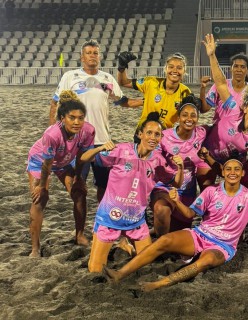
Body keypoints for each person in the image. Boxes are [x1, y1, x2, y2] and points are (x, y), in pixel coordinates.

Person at [103, 157, 248, 291]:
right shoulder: (211, 192)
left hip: (224, 246)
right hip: (200, 235)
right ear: (222, 172)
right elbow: (189, 214)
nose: (232, 172)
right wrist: (177, 200)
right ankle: (121, 273)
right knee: (164, 240)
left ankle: (159, 284)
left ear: (242, 173)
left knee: (205, 261)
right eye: (228, 169)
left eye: (237, 169)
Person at [80, 112, 184, 272]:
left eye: (157, 134)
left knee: (146, 266)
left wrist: (181, 168)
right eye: (149, 132)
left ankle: (126, 246)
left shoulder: (158, 161)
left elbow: (176, 183)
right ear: (140, 134)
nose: (153, 137)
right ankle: (123, 246)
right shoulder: (121, 150)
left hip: (135, 221)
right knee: (95, 270)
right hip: (110, 218)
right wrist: (100, 148)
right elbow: (84, 158)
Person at [50, 39, 142, 202]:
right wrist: (53, 133)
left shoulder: (107, 78)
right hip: (77, 142)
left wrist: (145, 101)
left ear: (99, 57)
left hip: (102, 141)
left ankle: (102, 226)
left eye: (95, 53)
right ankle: (79, 229)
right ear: (82, 57)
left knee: (104, 187)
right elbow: (55, 103)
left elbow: (124, 101)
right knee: (77, 187)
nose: (92, 56)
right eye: (88, 53)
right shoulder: (70, 77)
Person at [27, 90, 95, 257]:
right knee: (40, 198)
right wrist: (42, 186)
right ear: (63, 118)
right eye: (72, 118)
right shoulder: (52, 134)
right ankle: (35, 248)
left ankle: (79, 235)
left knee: (79, 193)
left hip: (65, 161)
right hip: (40, 161)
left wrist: (78, 178)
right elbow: (47, 164)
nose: (77, 122)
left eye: (80, 118)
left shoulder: (88, 131)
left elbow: (81, 157)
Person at [197, 34, 248, 188]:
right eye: (235, 66)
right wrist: (211, 56)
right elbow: (205, 107)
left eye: (243, 66)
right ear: (230, 69)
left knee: (235, 189)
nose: (239, 69)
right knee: (206, 186)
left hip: (238, 147)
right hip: (217, 140)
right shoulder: (223, 90)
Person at [150, 94, 207, 237]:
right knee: (162, 210)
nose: (189, 119)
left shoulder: (201, 133)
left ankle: (156, 231)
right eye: (185, 115)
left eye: (193, 116)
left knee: (176, 231)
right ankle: (161, 246)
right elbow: (152, 158)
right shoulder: (164, 136)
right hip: (166, 187)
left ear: (197, 118)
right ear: (179, 117)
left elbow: (223, 128)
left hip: (187, 192)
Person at [116, 51, 192, 139]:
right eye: (171, 67)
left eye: (179, 68)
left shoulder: (186, 92)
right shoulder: (151, 82)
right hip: (143, 134)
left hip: (164, 137)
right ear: (165, 69)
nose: (175, 70)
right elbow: (124, 82)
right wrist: (121, 67)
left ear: (184, 71)